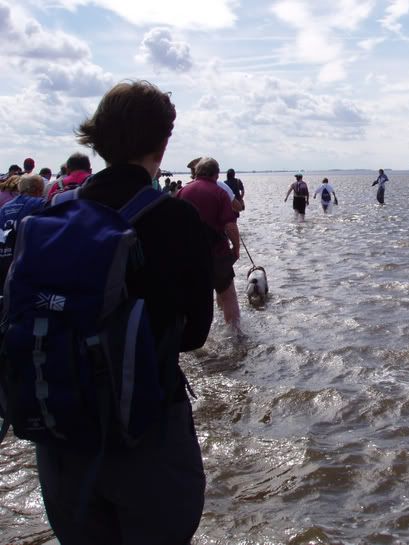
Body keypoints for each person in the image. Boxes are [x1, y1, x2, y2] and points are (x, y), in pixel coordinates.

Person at [31, 80, 214, 545]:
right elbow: (195, 333)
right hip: (146, 429)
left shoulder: (56, 211)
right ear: (163, 141)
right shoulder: (173, 218)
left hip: (59, 433)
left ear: (97, 137)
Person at [177, 157, 241, 332]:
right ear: (216, 174)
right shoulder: (219, 192)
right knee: (228, 295)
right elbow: (230, 226)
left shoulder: (182, 192)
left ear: (196, 172)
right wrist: (236, 248)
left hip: (190, 256)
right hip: (217, 254)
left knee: (194, 298)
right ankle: (235, 336)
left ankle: (195, 336)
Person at [0, 174, 46, 284]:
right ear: (38, 190)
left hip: (4, 260)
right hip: (27, 263)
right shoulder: (40, 204)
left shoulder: (5, 207)